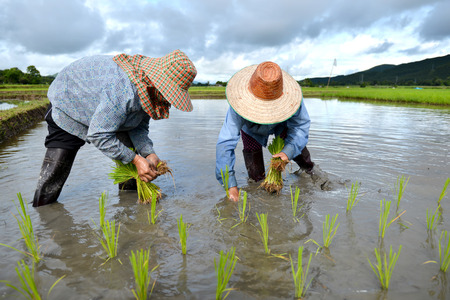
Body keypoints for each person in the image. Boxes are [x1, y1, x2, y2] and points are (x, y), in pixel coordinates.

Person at [33, 50, 197, 207]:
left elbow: (138, 127)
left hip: (106, 110)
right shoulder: (123, 90)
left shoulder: (148, 89)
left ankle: (127, 208)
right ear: (159, 83)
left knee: (132, 169)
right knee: (55, 173)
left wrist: (149, 153)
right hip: (69, 102)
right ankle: (42, 212)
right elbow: (99, 135)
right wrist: (136, 159)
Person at [215, 61, 315, 201]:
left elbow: (300, 127)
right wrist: (230, 185)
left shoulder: (294, 100)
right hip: (251, 129)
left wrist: (289, 151)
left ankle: (311, 171)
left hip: (282, 124)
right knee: (256, 178)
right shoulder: (238, 105)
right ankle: (261, 189)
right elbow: (225, 143)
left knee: (304, 163)